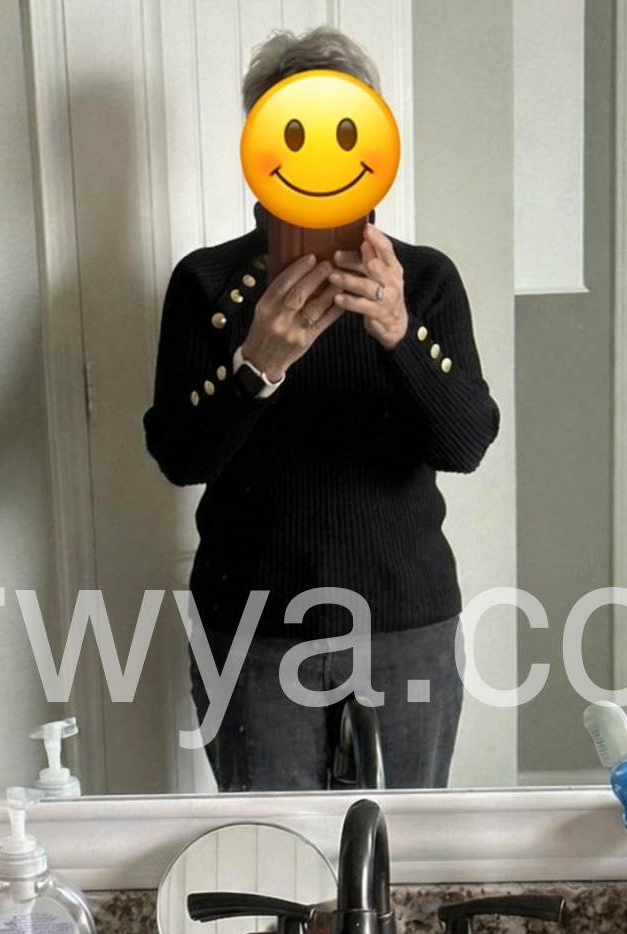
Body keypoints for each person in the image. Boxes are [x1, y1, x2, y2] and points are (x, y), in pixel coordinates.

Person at [144, 26, 498, 792]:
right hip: (252, 628)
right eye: (294, 132)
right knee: (275, 853)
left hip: (405, 621)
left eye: (344, 131)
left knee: (401, 849)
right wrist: (255, 366)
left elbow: (467, 442)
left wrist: (400, 333)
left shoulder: (425, 281)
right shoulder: (206, 285)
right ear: (261, 143)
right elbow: (179, 455)